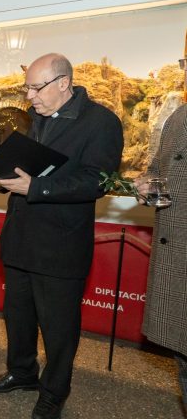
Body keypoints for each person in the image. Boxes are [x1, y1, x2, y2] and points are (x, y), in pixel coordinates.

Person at [0, 53, 124, 419]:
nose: (30, 96)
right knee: (18, 316)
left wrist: (37, 187)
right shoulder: (37, 117)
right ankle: (22, 372)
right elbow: (27, 168)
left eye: (36, 87)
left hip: (61, 244)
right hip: (21, 238)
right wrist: (3, 181)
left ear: (63, 83)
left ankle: (54, 393)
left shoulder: (101, 122)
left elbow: (97, 181)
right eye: (26, 88)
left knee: (58, 328)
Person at [134, 55, 187, 414]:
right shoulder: (178, 117)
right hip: (177, 259)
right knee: (183, 359)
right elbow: (158, 172)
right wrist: (146, 186)